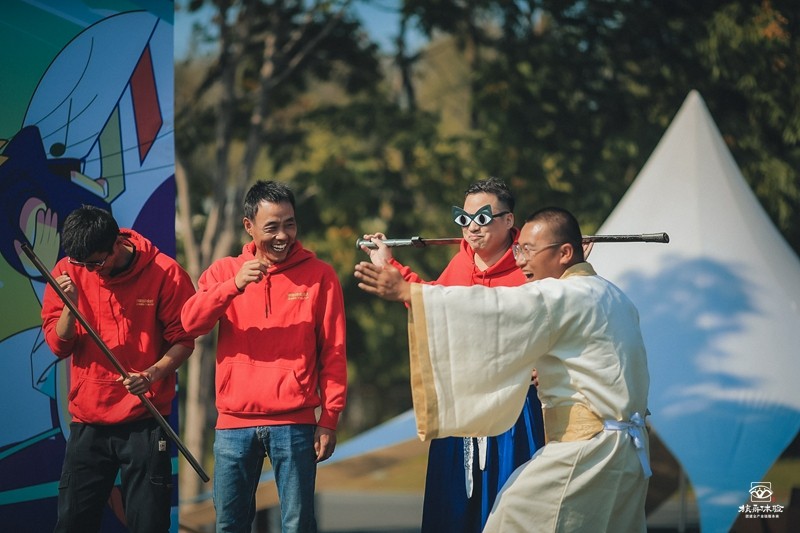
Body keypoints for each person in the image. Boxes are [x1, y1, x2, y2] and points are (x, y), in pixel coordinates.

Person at [355, 207, 651, 532]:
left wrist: (407, 291)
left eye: (529, 250)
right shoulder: (615, 296)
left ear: (565, 253)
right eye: (519, 250)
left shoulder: (561, 295)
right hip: (628, 455)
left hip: (587, 453)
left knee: (511, 517)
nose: (521, 261)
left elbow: (491, 309)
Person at [360, 177, 545, 532]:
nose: (472, 228)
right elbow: (429, 301)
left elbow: (562, 317)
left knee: (513, 508)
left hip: (514, 411)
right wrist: (388, 264)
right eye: (464, 218)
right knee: (455, 513)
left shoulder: (533, 267)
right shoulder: (460, 264)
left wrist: (570, 265)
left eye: (483, 217)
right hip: (460, 407)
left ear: (509, 220)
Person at [181, 180, 347, 533]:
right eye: (272, 227)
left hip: (295, 423)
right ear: (249, 226)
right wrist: (233, 286)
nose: (283, 235)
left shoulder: (321, 275)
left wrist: (329, 418)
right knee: (229, 525)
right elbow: (190, 324)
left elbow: (333, 351)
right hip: (233, 425)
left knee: (298, 525)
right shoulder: (224, 272)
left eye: (290, 224)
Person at [41, 205, 196, 533]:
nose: (89, 270)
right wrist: (69, 307)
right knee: (72, 523)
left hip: (145, 418)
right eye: (82, 264)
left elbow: (184, 341)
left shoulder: (165, 273)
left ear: (116, 244)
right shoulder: (68, 270)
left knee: (148, 524)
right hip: (88, 420)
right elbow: (58, 345)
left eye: (96, 262)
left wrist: (151, 375)